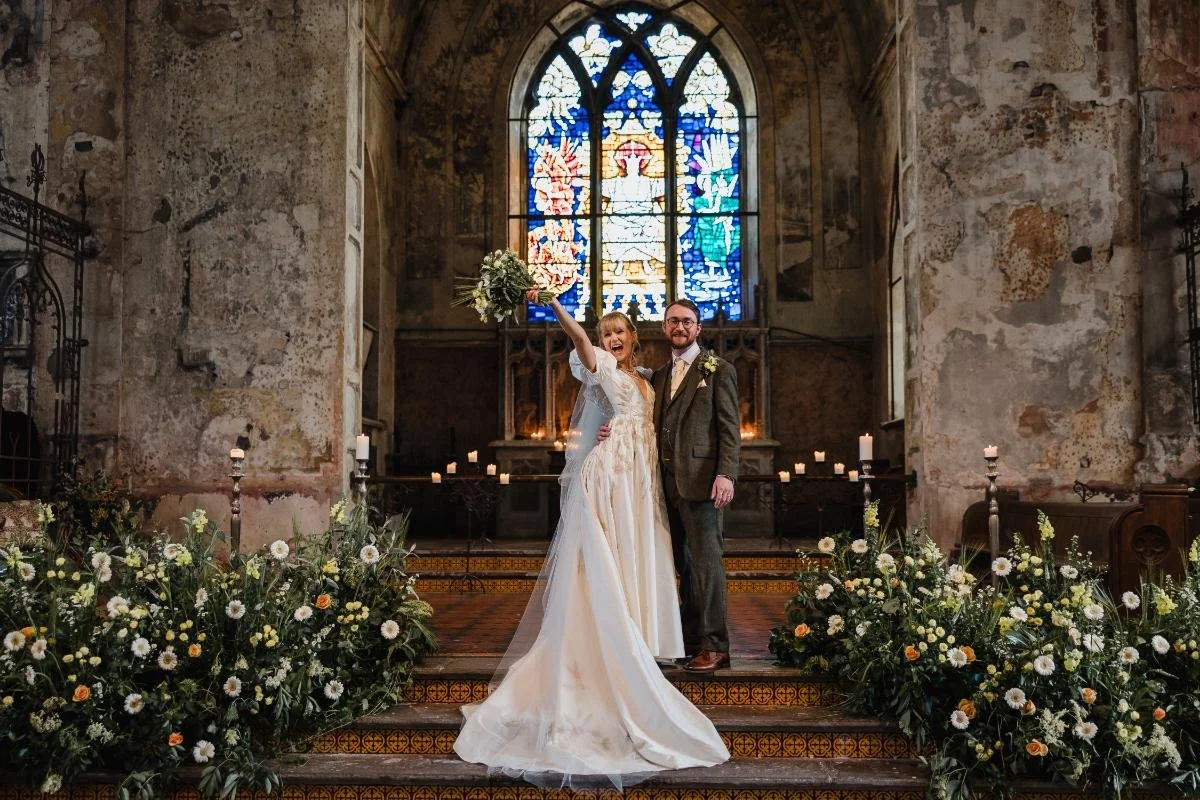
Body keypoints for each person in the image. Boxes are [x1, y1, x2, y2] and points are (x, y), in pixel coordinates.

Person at [453, 294, 729, 789]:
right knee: (608, 561)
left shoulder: (648, 377)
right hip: (613, 475)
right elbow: (577, 341)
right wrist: (557, 305)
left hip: (643, 483)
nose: (612, 339)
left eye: (619, 332)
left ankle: (649, 640)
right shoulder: (598, 364)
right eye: (606, 334)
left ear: (635, 337)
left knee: (641, 558)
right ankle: (611, 645)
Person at [653, 298, 739, 673]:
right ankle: (689, 641)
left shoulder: (718, 369)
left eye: (687, 321)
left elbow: (729, 428)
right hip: (665, 485)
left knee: (707, 565)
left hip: (704, 483)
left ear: (698, 328)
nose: (680, 327)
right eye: (673, 321)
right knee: (682, 567)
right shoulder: (658, 376)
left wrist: (727, 474)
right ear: (664, 328)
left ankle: (716, 645)